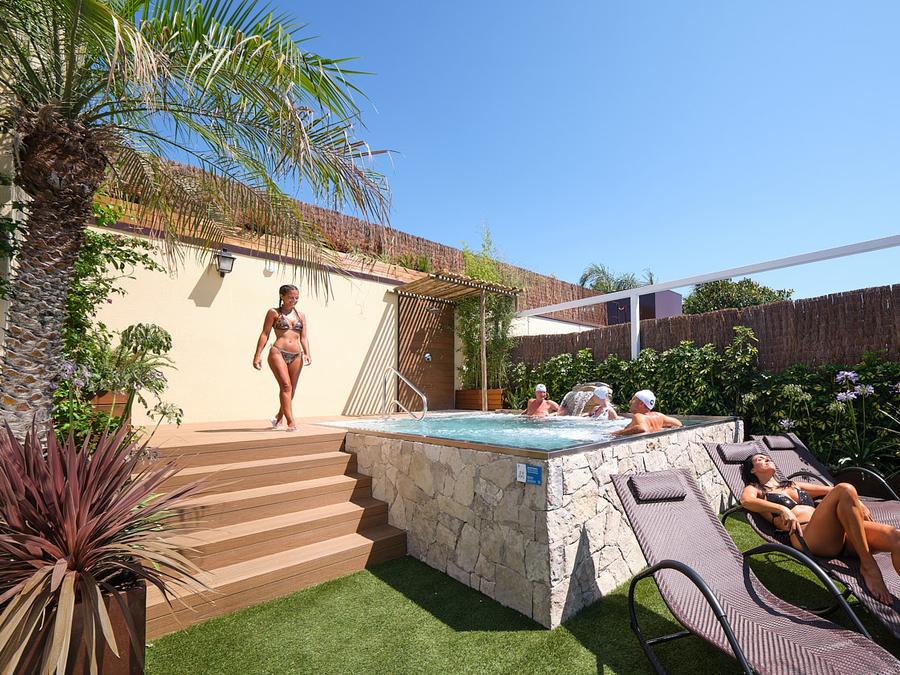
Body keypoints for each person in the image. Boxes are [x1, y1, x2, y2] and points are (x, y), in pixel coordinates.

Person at [741, 452, 899, 605]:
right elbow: (746, 501)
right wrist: (782, 509)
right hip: (808, 537)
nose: (766, 458)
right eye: (760, 459)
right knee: (845, 488)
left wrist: (858, 502)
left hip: (839, 534)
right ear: (753, 470)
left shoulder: (793, 485)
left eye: (766, 457)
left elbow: (831, 490)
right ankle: (869, 565)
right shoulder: (755, 489)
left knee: (896, 538)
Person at [252, 284, 312, 431]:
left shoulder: (301, 315)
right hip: (278, 352)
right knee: (286, 386)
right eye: (291, 297)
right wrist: (257, 355)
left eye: (296, 298)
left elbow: (303, 337)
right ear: (282, 296)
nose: (294, 300)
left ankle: (278, 418)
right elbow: (265, 334)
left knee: (291, 389)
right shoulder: (274, 313)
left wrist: (307, 353)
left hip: (297, 355)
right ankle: (291, 423)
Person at [610, 389, 681, 436]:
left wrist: (616, 433)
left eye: (633, 399)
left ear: (641, 404)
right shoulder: (659, 416)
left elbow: (642, 429)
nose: (630, 402)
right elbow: (678, 423)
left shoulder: (639, 416)